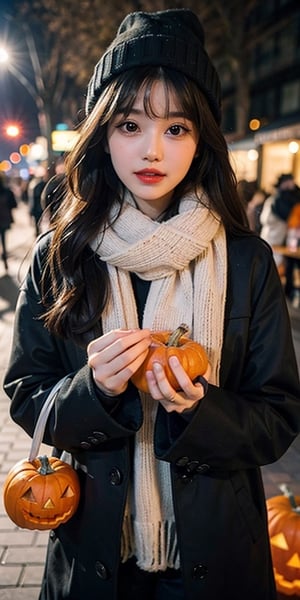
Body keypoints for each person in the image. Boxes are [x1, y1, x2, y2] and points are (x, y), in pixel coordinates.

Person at [3, 9, 300, 600]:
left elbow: (278, 419)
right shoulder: (58, 256)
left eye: (176, 128)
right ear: (101, 133)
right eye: (131, 124)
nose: (151, 150)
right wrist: (94, 390)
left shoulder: (246, 261)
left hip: (216, 556)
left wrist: (199, 411)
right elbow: (26, 394)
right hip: (95, 554)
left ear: (202, 139)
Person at [260, 173, 300, 272]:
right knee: (271, 268)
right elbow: (287, 215)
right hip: (272, 240)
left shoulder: (278, 198)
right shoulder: (277, 200)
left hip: (277, 241)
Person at [0, 174, 17, 272]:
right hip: (4, 219)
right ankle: (5, 257)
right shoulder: (6, 192)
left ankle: (5, 257)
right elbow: (14, 204)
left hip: (4, 219)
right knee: (3, 239)